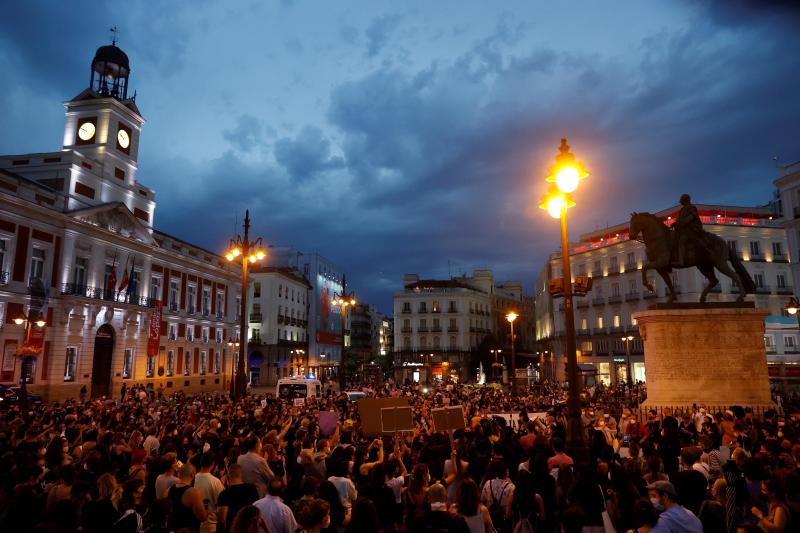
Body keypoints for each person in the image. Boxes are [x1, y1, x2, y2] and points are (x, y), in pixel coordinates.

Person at [218, 463, 260, 533]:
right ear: (242, 475)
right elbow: (256, 509)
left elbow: (222, 520)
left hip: (232, 529)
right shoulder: (252, 489)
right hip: (249, 529)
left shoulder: (224, 494)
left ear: (228, 477)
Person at [168, 462, 208, 532]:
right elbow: (203, 517)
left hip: (173, 529)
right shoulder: (193, 493)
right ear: (192, 474)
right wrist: (206, 508)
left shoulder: (169, 490)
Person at [194, 451, 225, 533]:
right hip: (210, 525)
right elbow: (221, 503)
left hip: (195, 523)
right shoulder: (215, 481)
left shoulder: (193, 478)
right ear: (213, 464)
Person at [673, 193, 703, 266]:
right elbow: (678, 219)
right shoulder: (681, 210)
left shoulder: (692, 208)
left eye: (681, 201)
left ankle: (681, 261)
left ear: (685, 200)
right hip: (683, 228)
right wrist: (675, 223)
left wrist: (682, 222)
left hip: (692, 228)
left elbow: (691, 217)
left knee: (681, 241)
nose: (680, 202)